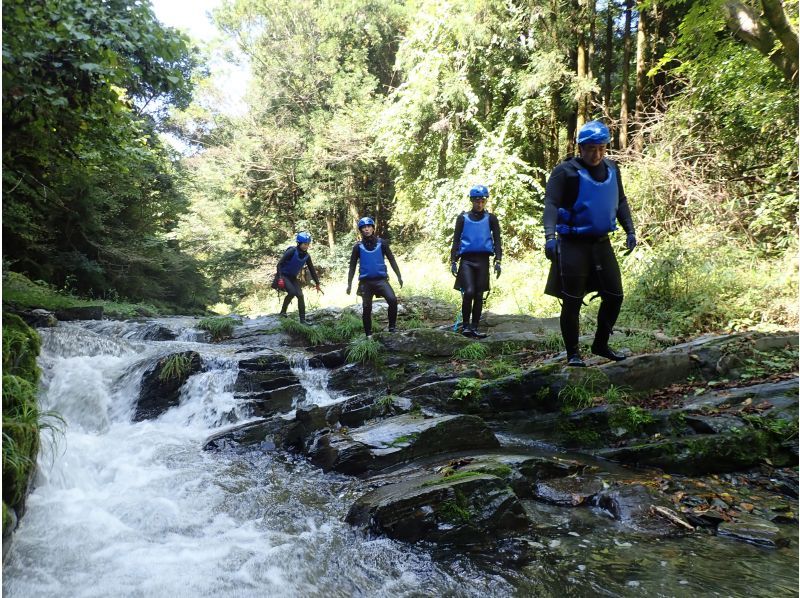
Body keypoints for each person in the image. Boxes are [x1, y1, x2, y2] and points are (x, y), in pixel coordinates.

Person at [543, 120, 637, 366]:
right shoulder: (565, 172)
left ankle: (601, 344)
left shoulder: (613, 169)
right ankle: (573, 353)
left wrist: (630, 230)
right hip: (573, 244)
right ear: (581, 148)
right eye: (591, 149)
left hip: (601, 243)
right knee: (572, 301)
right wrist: (549, 237)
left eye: (601, 148)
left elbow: (621, 201)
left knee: (615, 295)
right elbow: (551, 205)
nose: (596, 154)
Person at [450, 185, 502, 338]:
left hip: (483, 260)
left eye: (482, 201)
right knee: (470, 292)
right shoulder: (462, 218)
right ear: (472, 201)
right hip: (467, 260)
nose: (479, 204)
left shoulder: (491, 218)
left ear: (485, 201)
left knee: (479, 294)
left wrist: (498, 260)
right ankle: (465, 326)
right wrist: (453, 260)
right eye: (476, 201)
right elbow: (456, 240)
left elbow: (497, 240)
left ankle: (474, 327)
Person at [346, 217, 403, 336]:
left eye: (368, 226)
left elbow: (392, 260)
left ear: (373, 228)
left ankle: (392, 328)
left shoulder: (382, 243)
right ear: (361, 230)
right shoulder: (357, 247)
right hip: (365, 283)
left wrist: (399, 276)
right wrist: (349, 284)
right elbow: (352, 267)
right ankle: (368, 334)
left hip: (381, 280)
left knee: (392, 300)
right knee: (367, 307)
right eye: (363, 228)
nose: (366, 229)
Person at [272, 231, 322, 324]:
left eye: (308, 244)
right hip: (283, 275)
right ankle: (283, 312)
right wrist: (279, 278)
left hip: (292, 277)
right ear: (299, 243)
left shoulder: (307, 256)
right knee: (292, 292)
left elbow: (312, 270)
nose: (306, 246)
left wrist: (317, 283)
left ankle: (302, 320)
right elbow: (279, 264)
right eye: (304, 244)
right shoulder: (292, 251)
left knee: (300, 295)